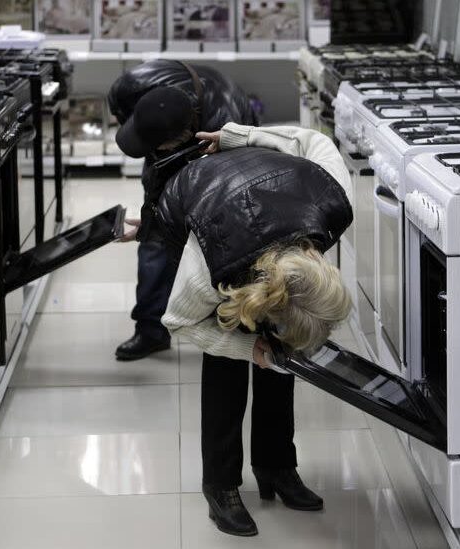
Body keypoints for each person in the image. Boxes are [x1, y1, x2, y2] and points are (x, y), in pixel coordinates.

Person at [157, 123, 354, 536]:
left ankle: (276, 466)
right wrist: (248, 349)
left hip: (265, 191)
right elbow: (178, 322)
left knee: (282, 357)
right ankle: (221, 484)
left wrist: (238, 136)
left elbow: (312, 141)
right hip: (199, 204)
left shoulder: (333, 199)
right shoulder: (210, 267)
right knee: (227, 354)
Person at [107, 60, 257, 361]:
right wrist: (152, 223)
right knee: (153, 241)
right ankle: (150, 330)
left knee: (212, 238)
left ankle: (225, 322)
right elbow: (125, 117)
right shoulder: (130, 88)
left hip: (218, 146)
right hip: (164, 127)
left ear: (183, 138)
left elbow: (220, 196)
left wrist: (175, 224)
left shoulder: (226, 125)